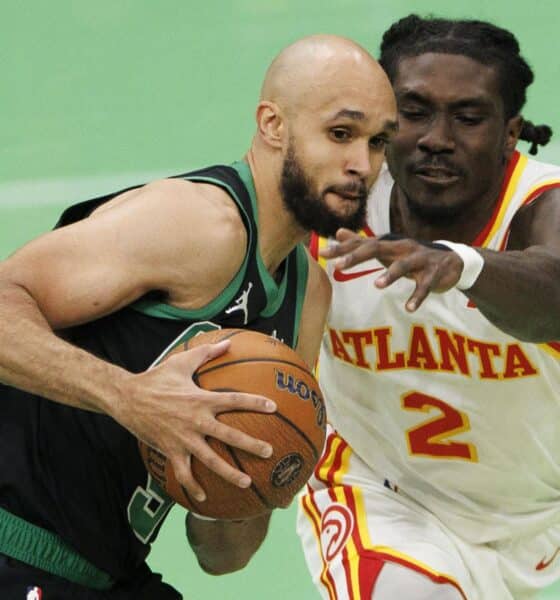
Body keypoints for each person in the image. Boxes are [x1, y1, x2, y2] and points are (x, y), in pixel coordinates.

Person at [0, 35, 397, 599]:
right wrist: (131, 398)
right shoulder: (201, 224)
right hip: (15, 546)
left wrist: (254, 474)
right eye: (341, 134)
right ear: (273, 124)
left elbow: (221, 557)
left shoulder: (308, 297)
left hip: (107, 573)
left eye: (378, 142)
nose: (363, 164)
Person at [297, 15, 560, 600]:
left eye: (467, 118)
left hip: (534, 522)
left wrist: (466, 265)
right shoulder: (333, 212)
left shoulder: (541, 204)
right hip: (378, 493)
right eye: (414, 112)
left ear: (510, 132)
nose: (437, 137)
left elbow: (554, 295)